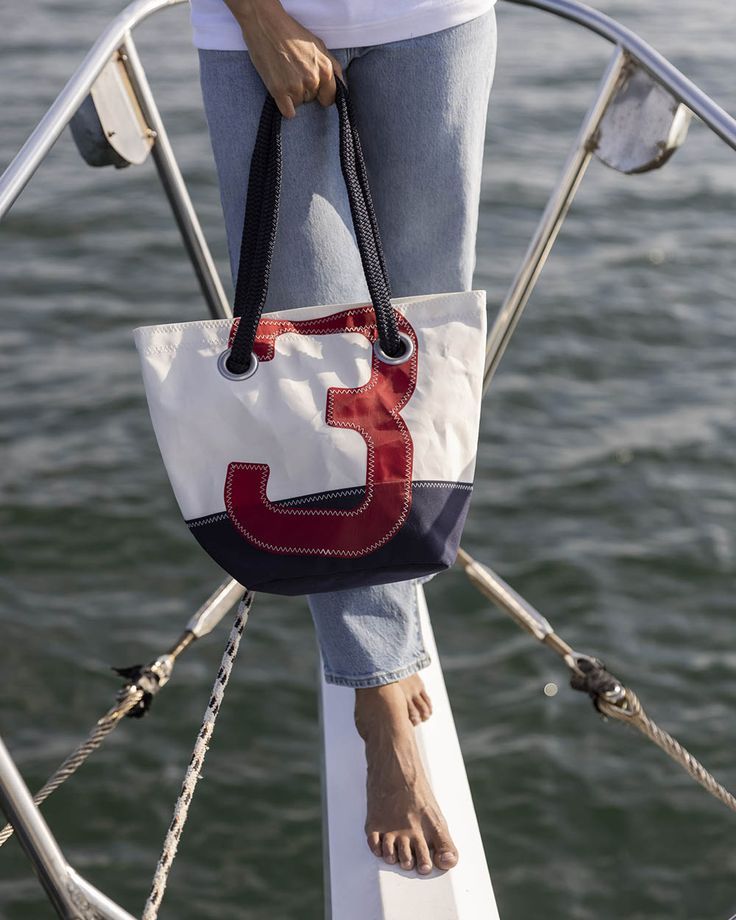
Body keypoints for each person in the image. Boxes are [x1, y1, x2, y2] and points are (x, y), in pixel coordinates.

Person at [191, 0, 497, 875]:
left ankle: (388, 616)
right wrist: (254, 15)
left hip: (434, 22)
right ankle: (379, 699)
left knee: (413, 347)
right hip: (261, 26)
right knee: (310, 352)